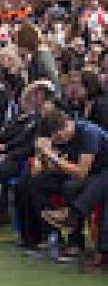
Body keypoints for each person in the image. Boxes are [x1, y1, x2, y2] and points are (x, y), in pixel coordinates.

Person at [30, 110, 108, 261]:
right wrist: (43, 155)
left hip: (100, 173)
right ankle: (52, 234)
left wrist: (53, 155)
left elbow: (81, 172)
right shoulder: (60, 139)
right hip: (92, 176)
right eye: (56, 140)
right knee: (37, 182)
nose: (59, 142)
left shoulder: (88, 133)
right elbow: (45, 170)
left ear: (67, 125)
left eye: (59, 138)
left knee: (71, 186)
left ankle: (74, 234)